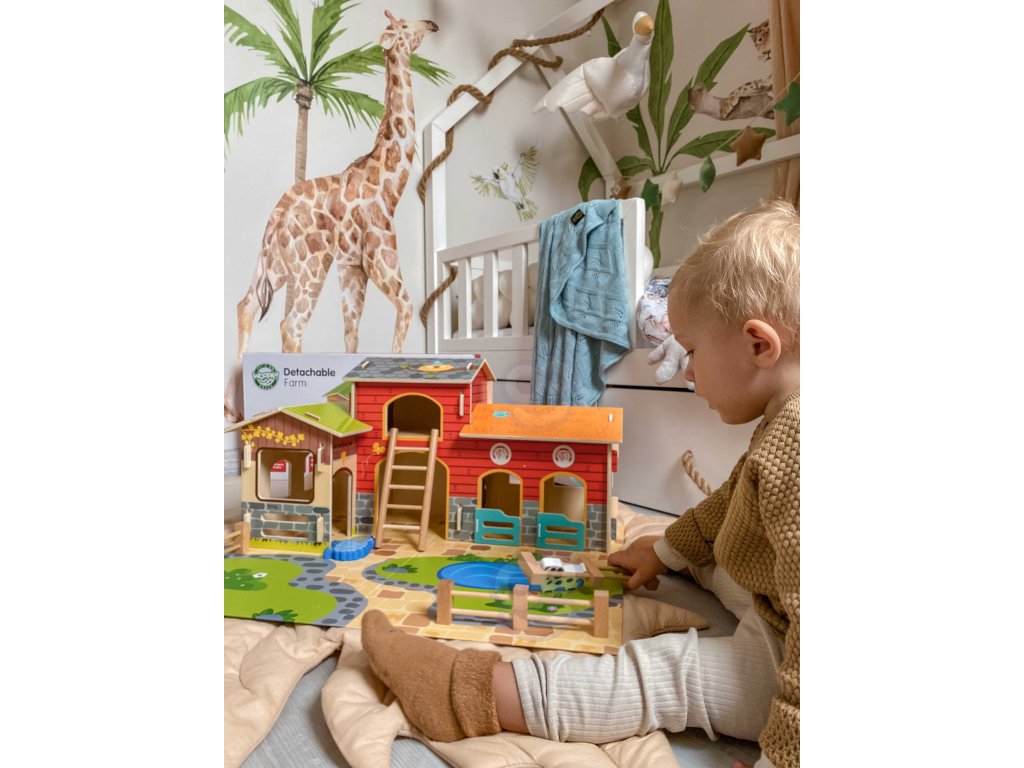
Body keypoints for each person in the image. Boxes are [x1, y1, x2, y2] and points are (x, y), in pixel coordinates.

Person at [359, 199, 800, 768]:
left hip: (794, 659)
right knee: (723, 556)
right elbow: (728, 507)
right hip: (777, 602)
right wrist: (668, 552)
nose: (688, 372)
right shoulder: (785, 419)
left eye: (691, 352)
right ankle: (686, 560)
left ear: (759, 345)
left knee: (664, 673)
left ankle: (469, 693)